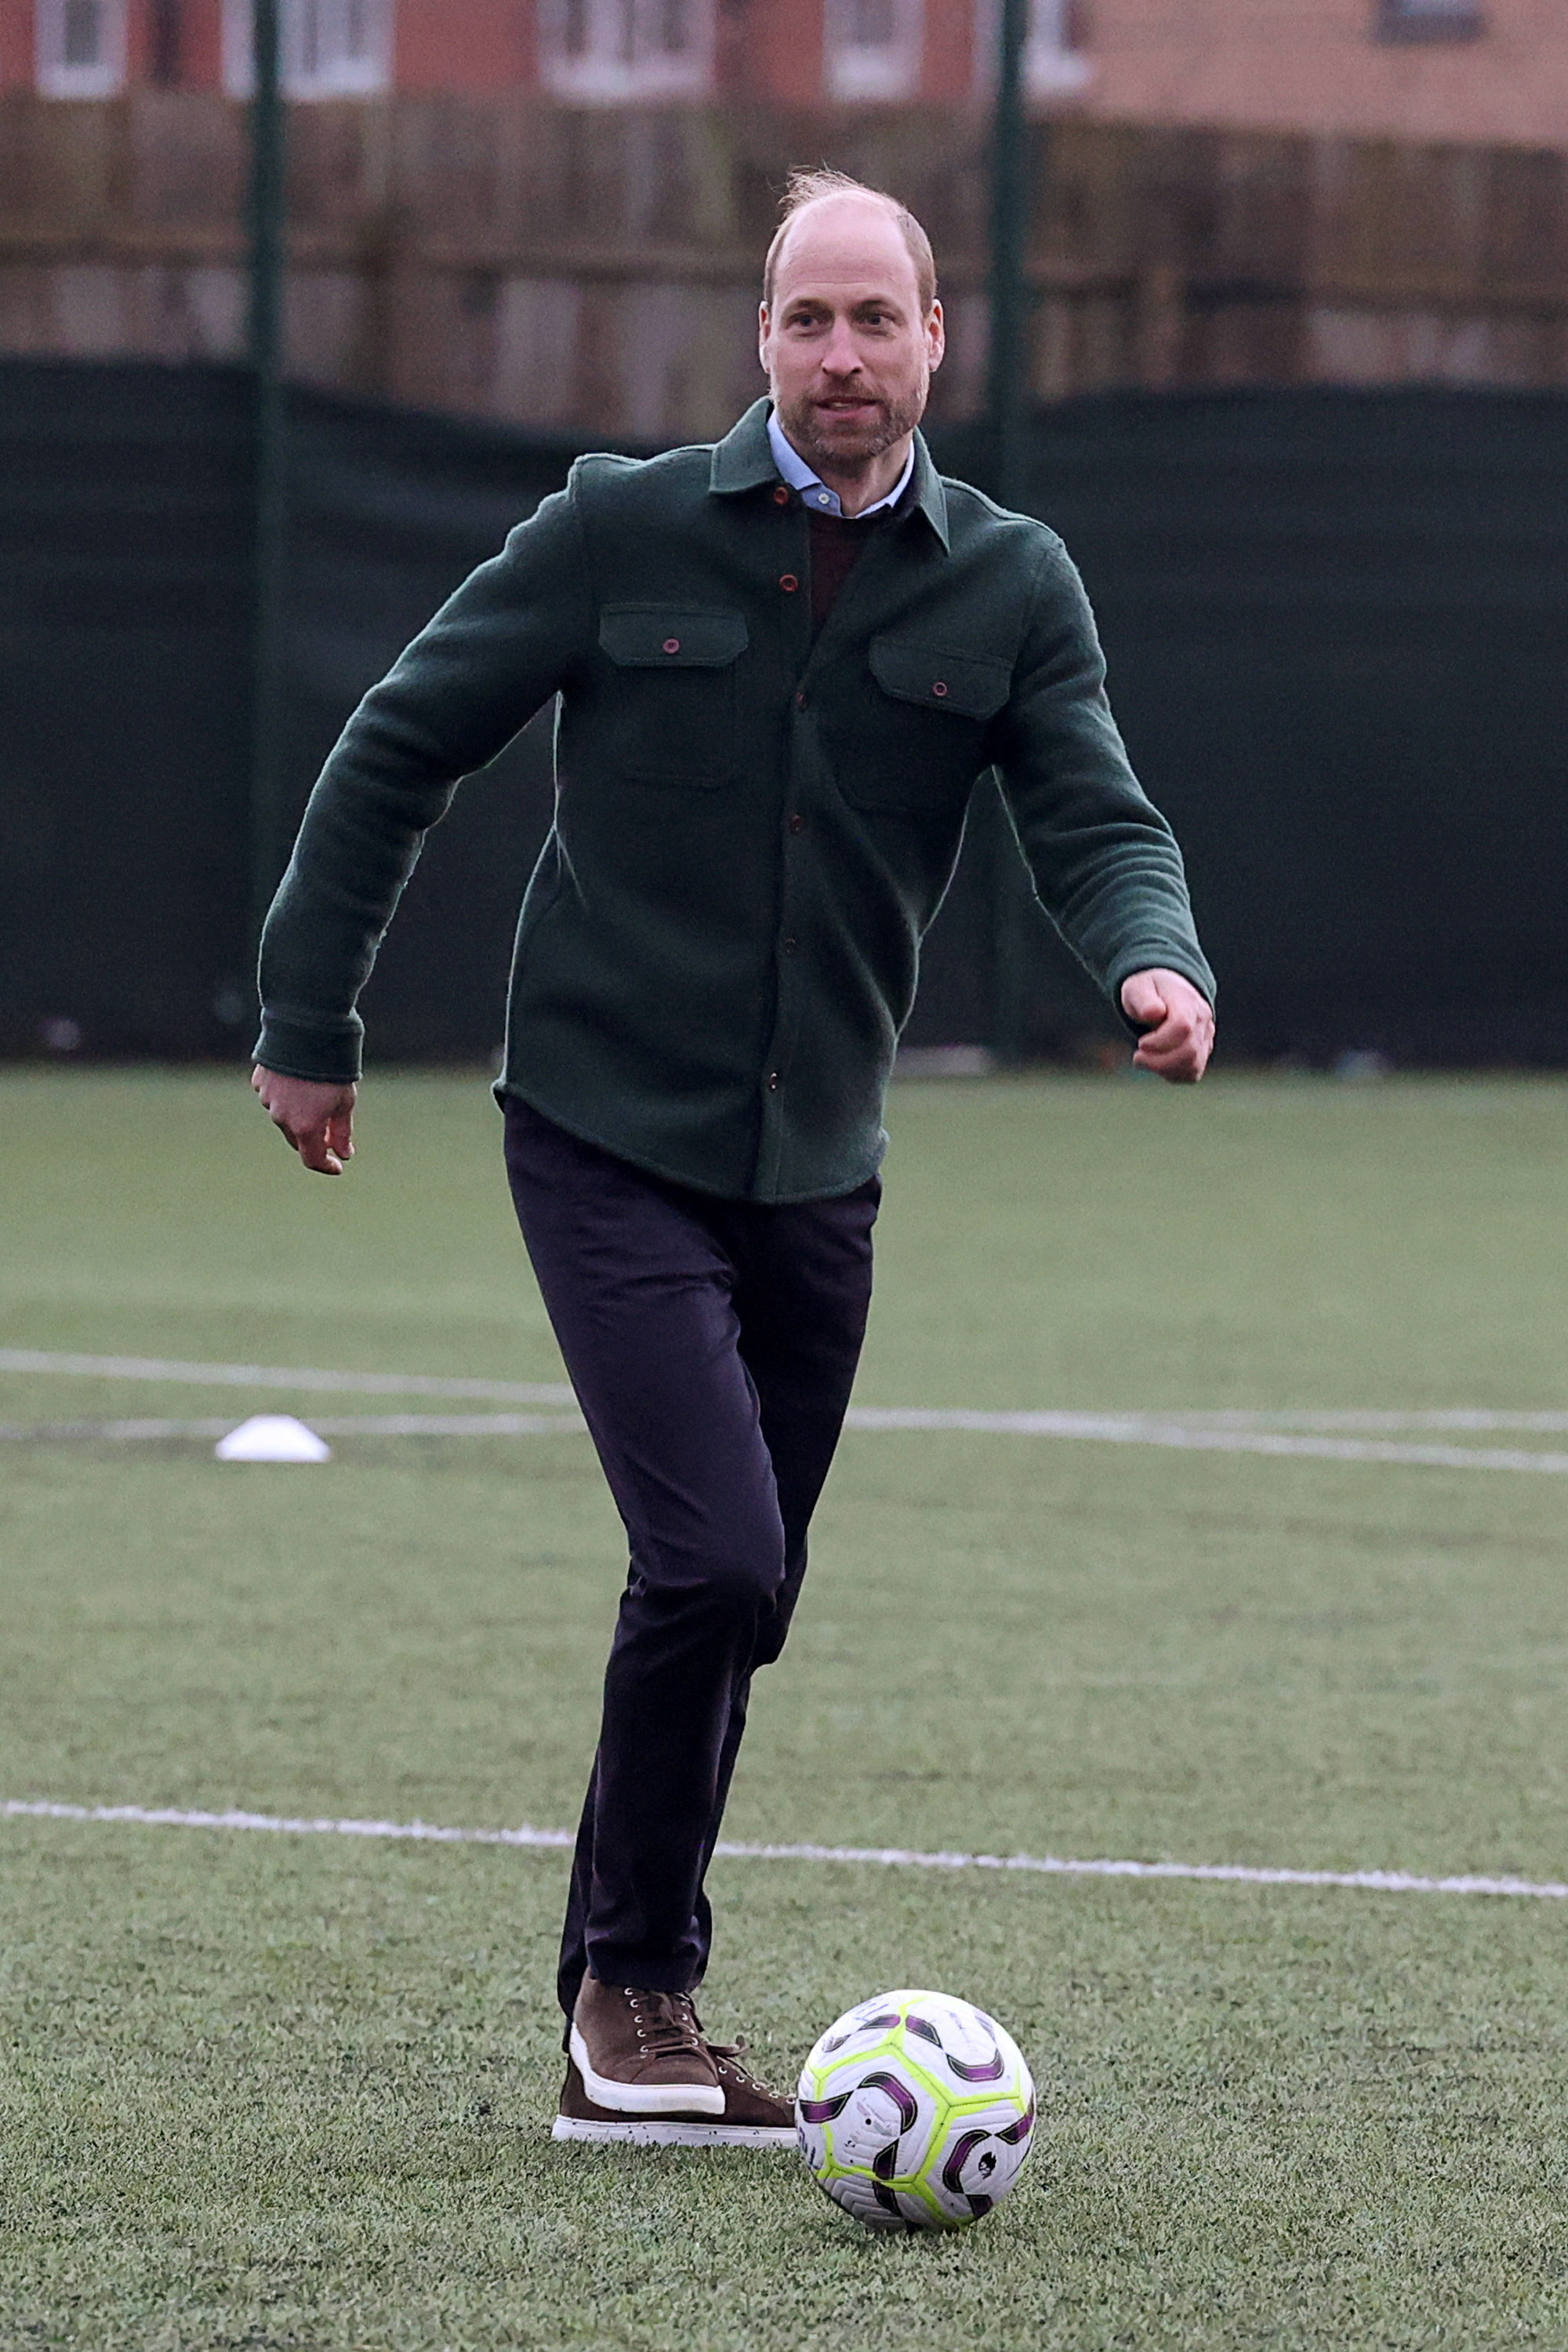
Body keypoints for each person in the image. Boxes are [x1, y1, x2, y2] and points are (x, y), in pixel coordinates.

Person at [251, 166, 1216, 2149]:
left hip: (822, 1170)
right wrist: (308, 1024)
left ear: (939, 338)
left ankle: (623, 2001)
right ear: (760, 338)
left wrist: (1153, 955)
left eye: (877, 320)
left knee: (732, 1590)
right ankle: (634, 2000)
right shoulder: (615, 527)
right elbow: (397, 743)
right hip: (605, 1133)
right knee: (713, 1554)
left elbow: (1092, 813)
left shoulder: (1012, 584)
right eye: (807, 321)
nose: (841, 356)